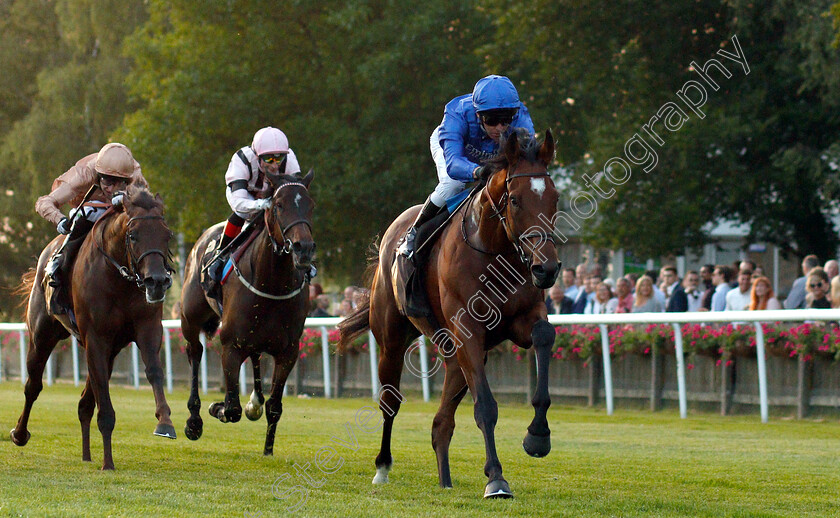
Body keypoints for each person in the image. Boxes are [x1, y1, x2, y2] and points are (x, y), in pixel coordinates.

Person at [397, 75, 535, 257]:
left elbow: (530, 159)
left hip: (492, 153)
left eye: (506, 119)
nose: (500, 127)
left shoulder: (520, 117)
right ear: (478, 115)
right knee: (453, 185)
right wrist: (477, 171)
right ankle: (413, 234)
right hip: (453, 148)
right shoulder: (457, 113)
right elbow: (454, 164)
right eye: (492, 120)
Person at [36, 143, 146, 311]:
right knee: (85, 217)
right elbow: (44, 202)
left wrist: (126, 198)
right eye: (108, 182)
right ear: (98, 176)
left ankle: (155, 274)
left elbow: (146, 204)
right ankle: (57, 272)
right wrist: (59, 220)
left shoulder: (133, 172)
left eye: (120, 182)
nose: (113, 188)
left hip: (121, 211)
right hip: (89, 207)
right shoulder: (83, 175)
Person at [207, 126, 304, 282]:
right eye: (269, 159)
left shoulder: (290, 159)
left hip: (274, 195)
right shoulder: (242, 159)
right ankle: (221, 254)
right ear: (257, 156)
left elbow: (296, 194)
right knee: (243, 213)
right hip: (245, 195)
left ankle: (300, 254)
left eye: (278, 159)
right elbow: (238, 202)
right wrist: (261, 204)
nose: (274, 165)